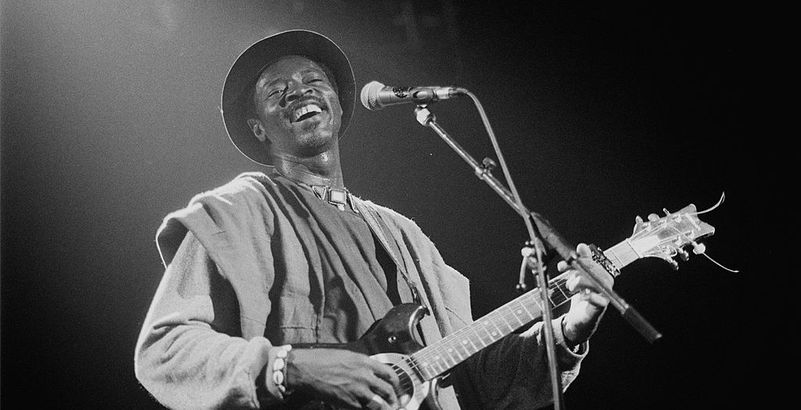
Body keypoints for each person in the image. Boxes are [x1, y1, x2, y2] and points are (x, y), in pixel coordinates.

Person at [134, 29, 614, 410]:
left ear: (339, 106)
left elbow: (476, 382)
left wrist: (570, 329)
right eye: (277, 92)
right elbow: (165, 351)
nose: (299, 93)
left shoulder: (405, 236)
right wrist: (292, 368)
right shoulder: (238, 210)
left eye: (313, 82)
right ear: (259, 128)